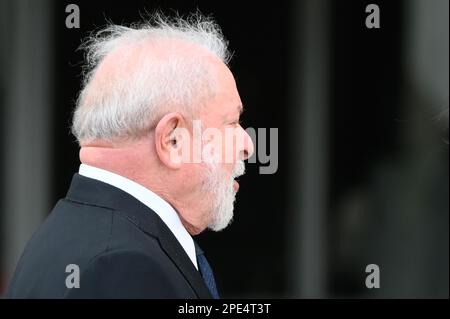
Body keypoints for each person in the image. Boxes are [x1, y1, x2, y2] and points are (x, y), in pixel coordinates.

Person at [6, 13, 254, 299]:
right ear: (173, 140)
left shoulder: (68, 233)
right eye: (232, 122)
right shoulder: (126, 266)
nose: (247, 144)